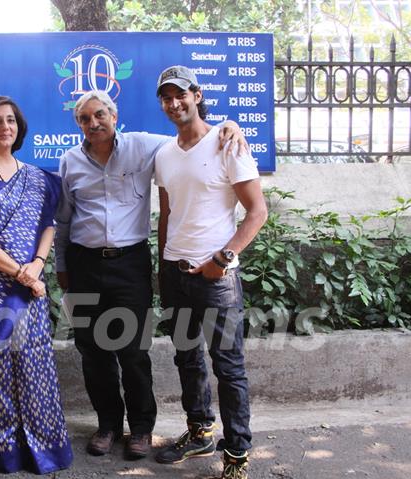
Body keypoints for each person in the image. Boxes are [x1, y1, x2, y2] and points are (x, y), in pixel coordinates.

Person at [54, 90, 247, 460]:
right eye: (84, 119)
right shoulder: (70, 161)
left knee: (132, 350)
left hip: (129, 264)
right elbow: (63, 221)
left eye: (99, 115)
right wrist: (62, 268)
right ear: (77, 124)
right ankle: (108, 424)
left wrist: (229, 125)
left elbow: (193, 137)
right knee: (93, 352)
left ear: (114, 115)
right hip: (82, 265)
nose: (93, 123)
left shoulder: (145, 147)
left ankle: (141, 428)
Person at [153, 66, 267, 478]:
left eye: (180, 94)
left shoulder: (226, 142)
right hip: (175, 272)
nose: (174, 103)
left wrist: (223, 259)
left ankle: (237, 454)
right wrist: (163, 264)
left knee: (228, 366)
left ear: (196, 95)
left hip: (216, 280)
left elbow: (257, 212)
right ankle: (200, 431)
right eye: (166, 97)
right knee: (187, 359)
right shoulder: (164, 155)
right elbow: (167, 213)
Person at [0, 96, 73, 474]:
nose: (4, 127)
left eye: (10, 120)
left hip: (30, 286)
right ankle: (2, 448)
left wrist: (37, 266)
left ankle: (44, 446)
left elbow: (48, 225)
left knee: (34, 359)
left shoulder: (37, 177)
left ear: (19, 127)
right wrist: (22, 274)